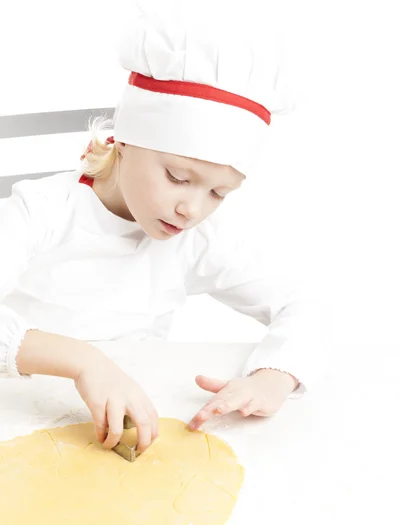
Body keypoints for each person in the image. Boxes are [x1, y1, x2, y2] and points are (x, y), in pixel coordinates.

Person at [0, 3, 321, 455]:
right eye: (177, 177)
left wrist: (276, 375)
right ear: (126, 141)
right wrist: (82, 361)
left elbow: (304, 302)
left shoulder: (197, 240)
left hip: (120, 426)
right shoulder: (43, 211)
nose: (191, 209)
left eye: (219, 193)